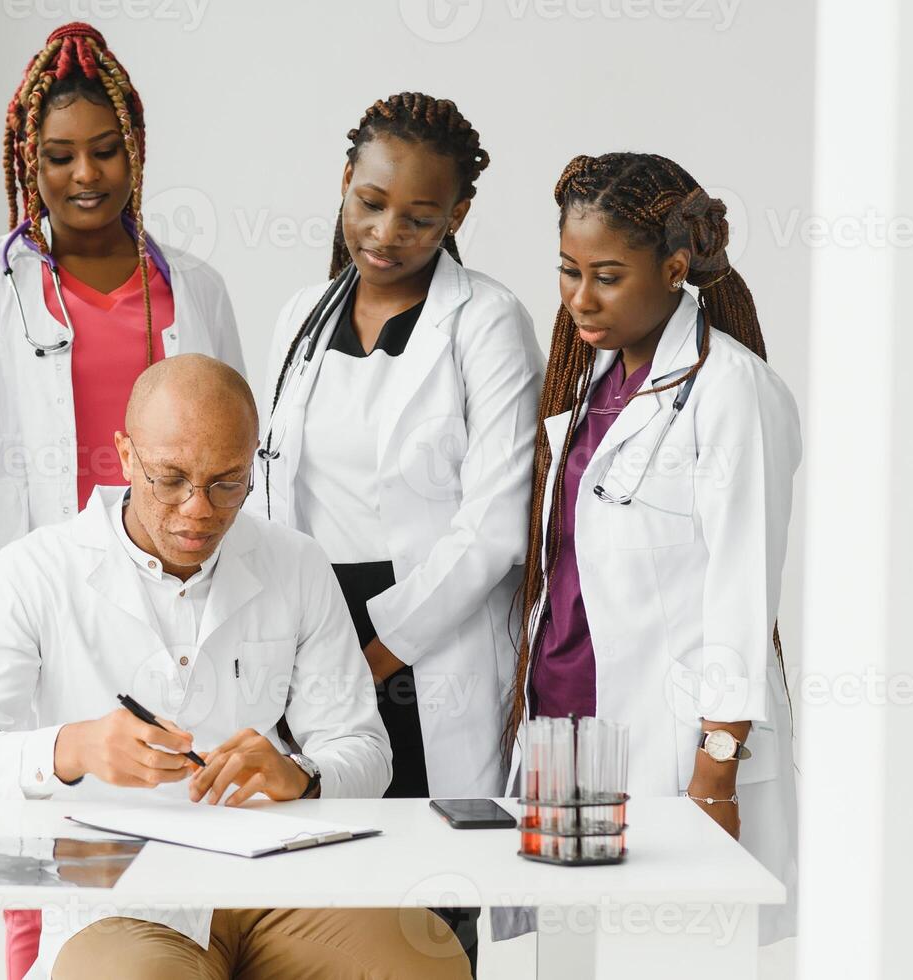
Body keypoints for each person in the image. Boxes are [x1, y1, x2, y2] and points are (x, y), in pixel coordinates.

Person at [0, 354, 471, 980]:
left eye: (226, 482)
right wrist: (74, 748)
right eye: (171, 479)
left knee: (424, 960)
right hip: (119, 890)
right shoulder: (31, 573)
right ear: (126, 455)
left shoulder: (294, 563)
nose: (198, 510)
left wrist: (303, 775)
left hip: (275, 877)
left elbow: (365, 750)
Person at [252, 92, 544, 967]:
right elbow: (272, 490)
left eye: (420, 218)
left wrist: (375, 648)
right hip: (311, 620)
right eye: (370, 204)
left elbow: (495, 523)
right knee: (325, 880)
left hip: (422, 636)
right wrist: (296, 641)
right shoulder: (302, 314)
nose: (385, 234)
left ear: (459, 214)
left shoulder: (487, 322)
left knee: (429, 890)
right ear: (345, 181)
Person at [505, 151, 800, 943]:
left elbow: (743, 593)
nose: (579, 299)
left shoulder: (732, 390)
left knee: (669, 951)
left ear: (674, 267)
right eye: (568, 271)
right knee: (559, 954)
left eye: (607, 274)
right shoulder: (584, 379)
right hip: (564, 727)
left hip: (670, 749)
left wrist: (715, 769)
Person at [0, 21, 244, 581]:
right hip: (36, 574)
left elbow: (237, 444)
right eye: (59, 156)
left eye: (105, 151)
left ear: (135, 149)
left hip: (171, 570)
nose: (85, 174)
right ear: (31, 162)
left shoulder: (197, 287)